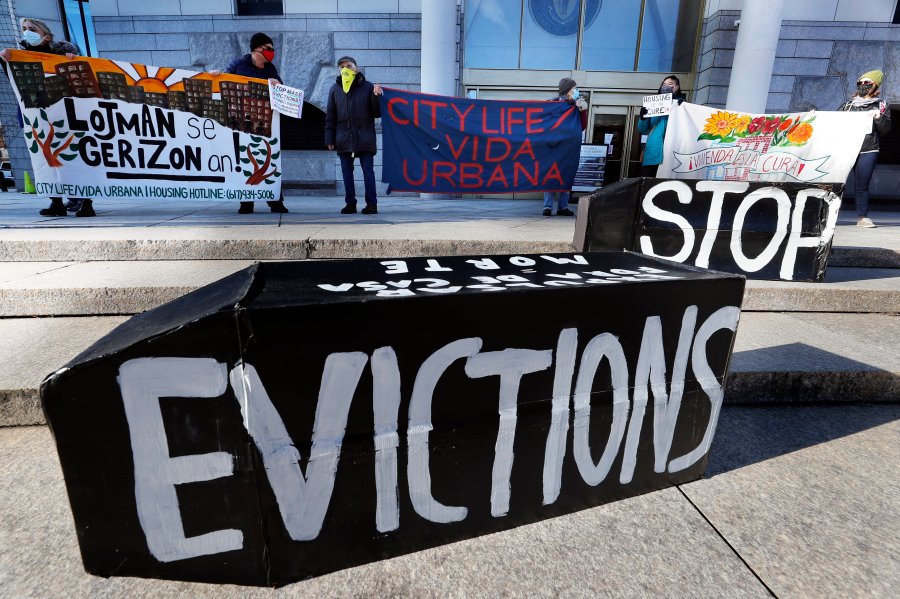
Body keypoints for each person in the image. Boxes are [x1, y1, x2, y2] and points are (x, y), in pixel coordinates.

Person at [1, 19, 93, 216]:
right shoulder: (20, 56)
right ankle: (56, 202)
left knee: (76, 156)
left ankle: (86, 203)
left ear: (47, 35)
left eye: (32, 29)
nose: (27, 33)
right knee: (46, 157)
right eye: (24, 29)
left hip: (66, 112)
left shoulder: (65, 54)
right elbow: (18, 84)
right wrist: (5, 61)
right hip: (37, 112)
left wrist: (73, 59)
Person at [223, 32, 288, 214]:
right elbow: (223, 82)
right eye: (268, 49)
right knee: (245, 161)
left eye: (272, 49)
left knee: (269, 161)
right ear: (256, 49)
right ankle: (246, 203)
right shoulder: (237, 65)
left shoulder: (270, 69)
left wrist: (277, 84)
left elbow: (281, 92)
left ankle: (275, 201)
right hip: (241, 122)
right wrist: (213, 76)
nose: (271, 52)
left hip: (264, 122)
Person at [325, 56, 383, 215]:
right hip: (343, 137)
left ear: (356, 67)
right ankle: (350, 203)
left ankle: (372, 204)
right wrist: (329, 137)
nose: (346, 69)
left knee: (368, 171)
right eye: (342, 67)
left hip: (364, 136)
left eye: (349, 65)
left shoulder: (368, 87)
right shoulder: (335, 89)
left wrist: (377, 96)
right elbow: (330, 115)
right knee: (346, 171)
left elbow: (377, 113)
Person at [838, 69, 891, 228]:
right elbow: (834, 122)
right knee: (835, 182)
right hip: (846, 148)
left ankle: (862, 217)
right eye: (860, 82)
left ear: (875, 85)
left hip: (868, 149)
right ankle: (824, 214)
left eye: (867, 82)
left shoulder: (881, 105)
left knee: (862, 185)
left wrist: (878, 118)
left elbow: (885, 129)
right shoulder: (848, 105)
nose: (863, 85)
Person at [543, 77, 588, 217]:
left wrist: (583, 111)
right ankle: (547, 206)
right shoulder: (553, 104)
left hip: (569, 147)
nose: (576, 91)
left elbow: (582, 126)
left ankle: (563, 206)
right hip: (554, 146)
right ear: (566, 90)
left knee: (566, 174)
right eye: (574, 88)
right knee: (552, 174)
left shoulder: (577, 105)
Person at [637, 75, 687, 178]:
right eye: (663, 85)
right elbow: (642, 128)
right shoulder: (653, 104)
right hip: (653, 151)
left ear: (677, 87)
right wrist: (643, 117)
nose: (666, 86)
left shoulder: (681, 104)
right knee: (648, 181)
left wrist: (682, 107)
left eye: (670, 84)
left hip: (672, 151)